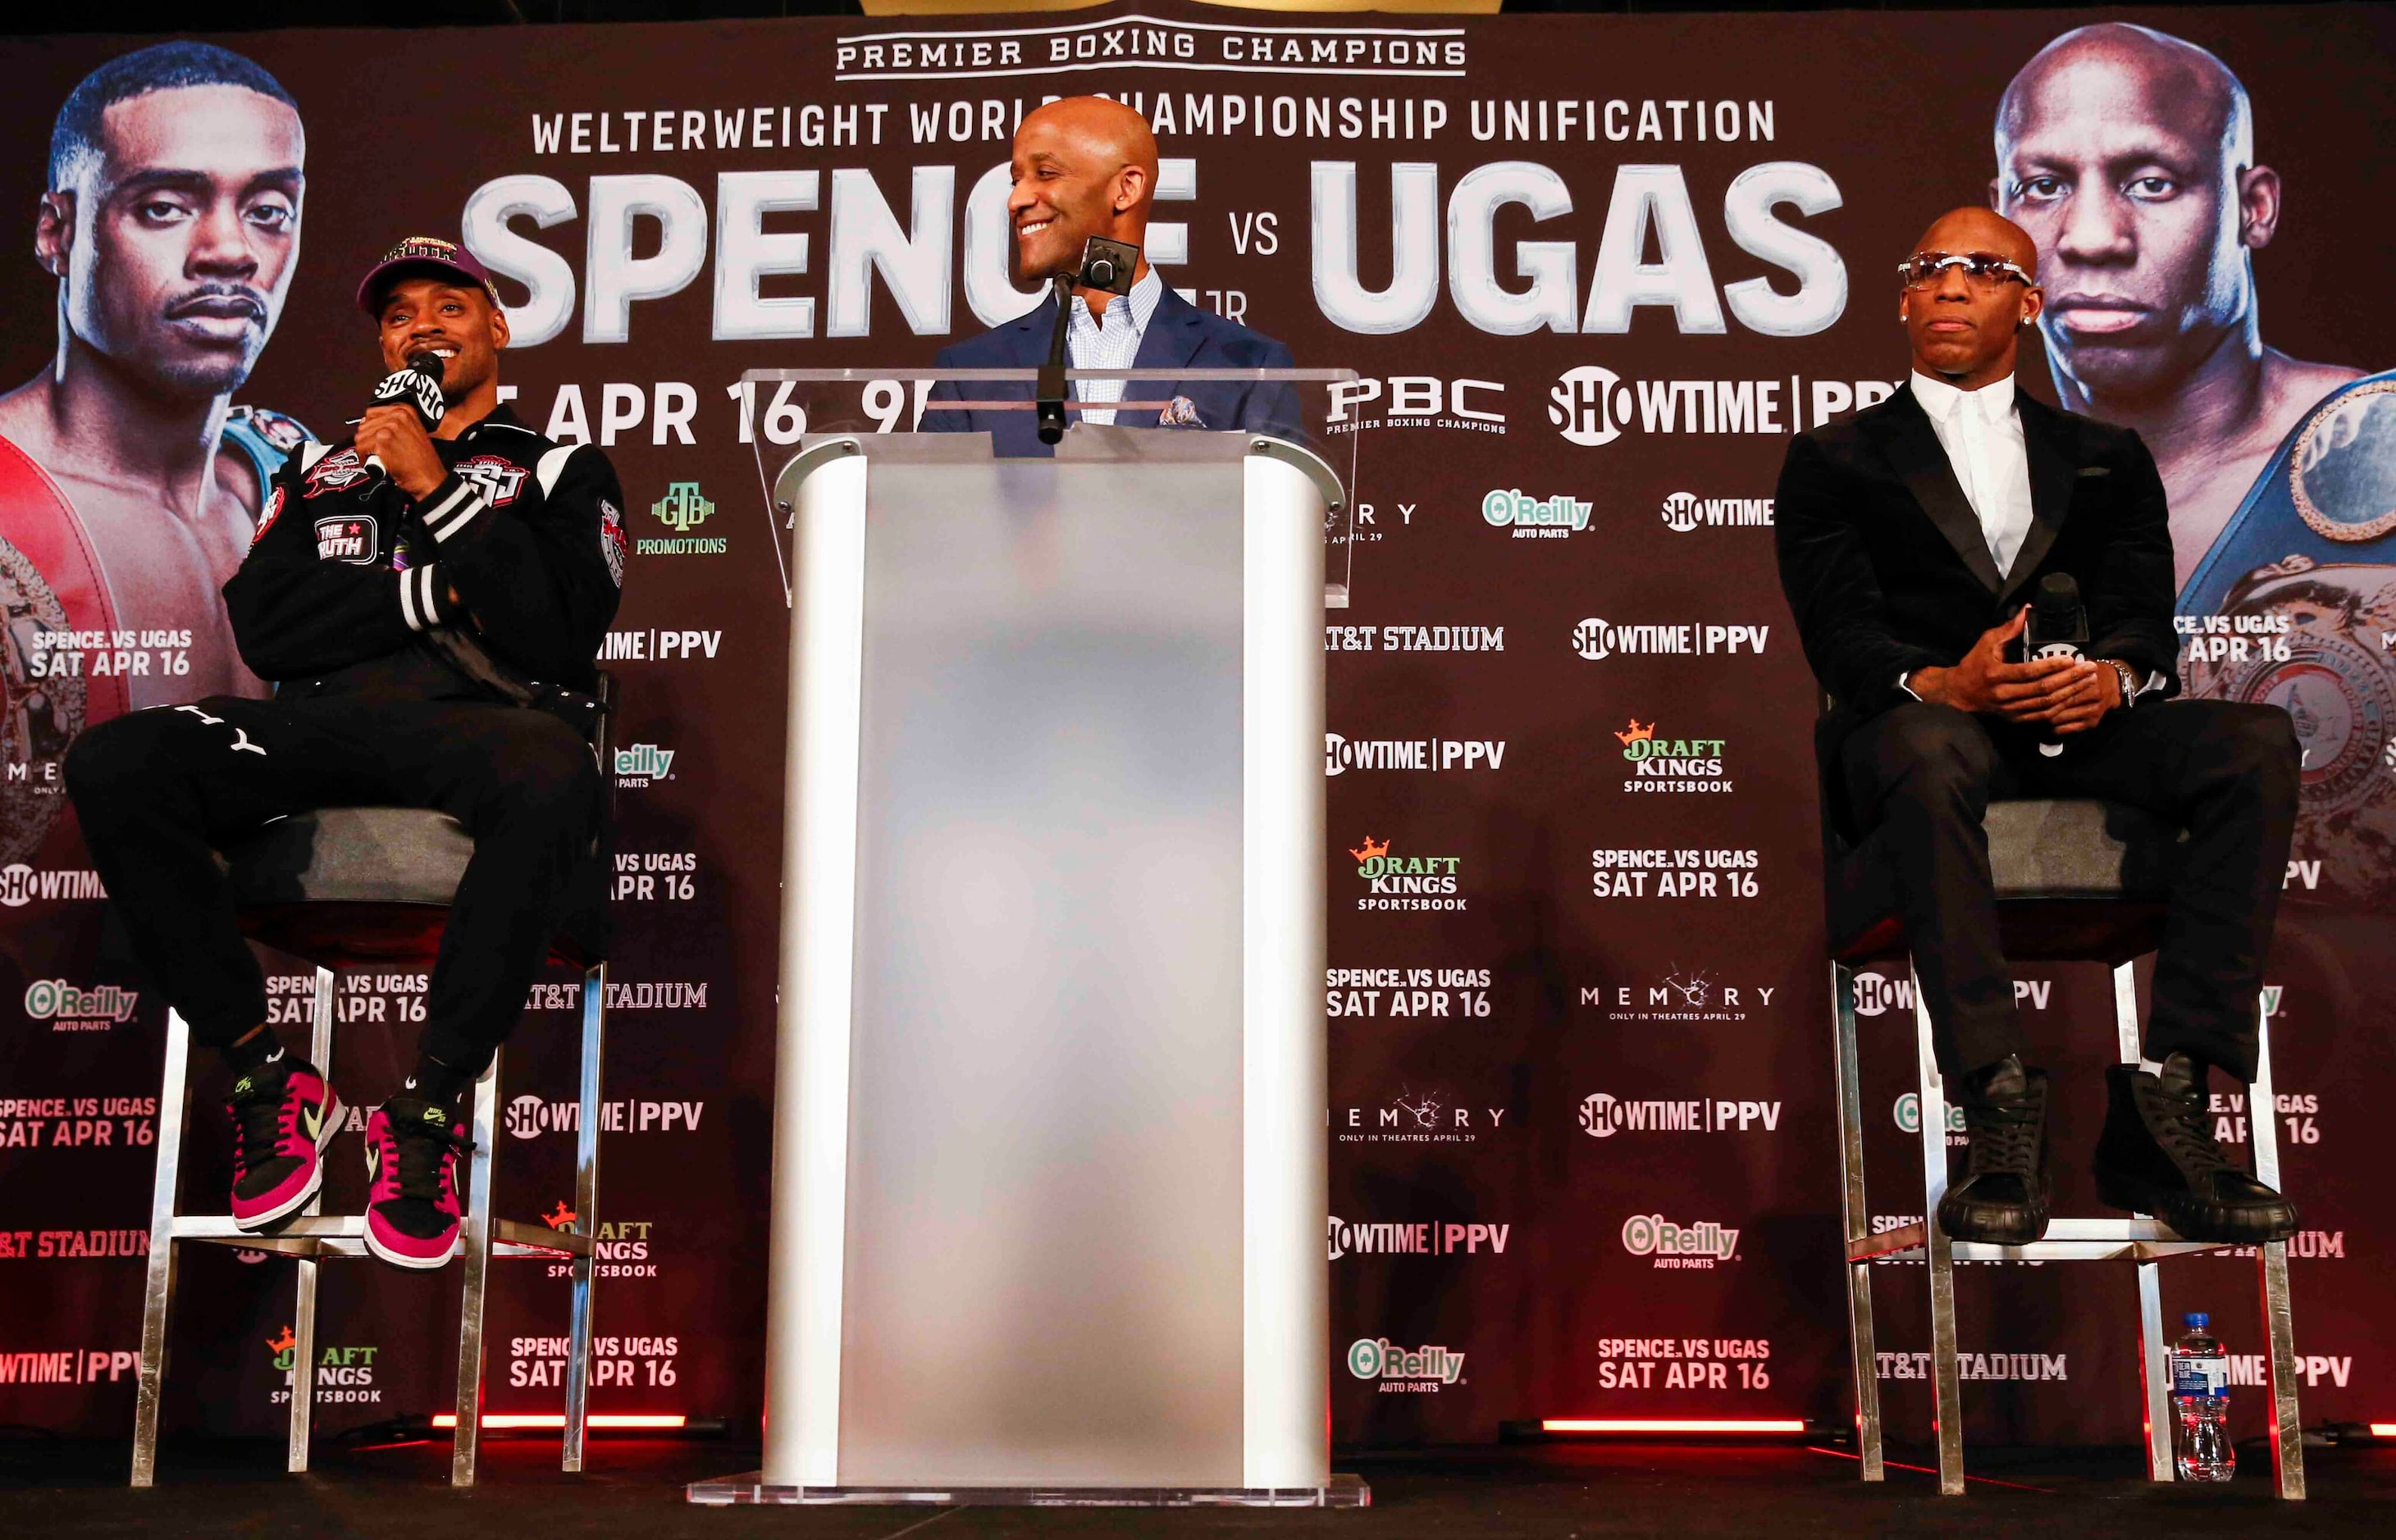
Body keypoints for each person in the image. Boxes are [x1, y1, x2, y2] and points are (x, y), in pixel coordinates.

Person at [63, 237, 627, 1269]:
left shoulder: (557, 467)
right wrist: (435, 589)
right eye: (399, 312)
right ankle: (264, 1076)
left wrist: (437, 486)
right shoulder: (330, 467)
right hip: (317, 726)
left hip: (475, 724)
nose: (422, 326)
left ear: (496, 329)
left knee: (553, 770)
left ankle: (427, 1114)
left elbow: (554, 632)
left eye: (449, 306)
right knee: (117, 762)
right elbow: (269, 628)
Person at [1773, 207, 2301, 1246]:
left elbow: (2145, 616)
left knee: (2252, 745)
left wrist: (2112, 676)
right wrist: (1944, 682)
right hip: (1925, 732)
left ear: (2028, 302)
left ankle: (2174, 1103)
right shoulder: (1833, 460)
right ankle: (1996, 1107)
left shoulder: (2103, 455)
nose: (1949, 285)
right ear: (1902, 299)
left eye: (1979, 269)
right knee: (1926, 747)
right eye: (1927, 269)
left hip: (2083, 735)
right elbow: (1841, 642)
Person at [1993, 22, 2396, 905]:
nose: (2091, 236)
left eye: (2149, 182)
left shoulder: (2383, 445)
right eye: (2042, 185)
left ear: (2252, 206)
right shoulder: (1957, 496)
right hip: (2095, 990)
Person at [0, 42, 312, 869]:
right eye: (166, 206)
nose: (229, 252)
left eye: (268, 211)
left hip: (266, 989)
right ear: (55, 231)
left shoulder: (301, 483)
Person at [921, 96, 1299, 454]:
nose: (1016, 200)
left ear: (1125, 189)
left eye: (1046, 174)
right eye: (1016, 181)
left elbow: (1276, 516)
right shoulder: (970, 374)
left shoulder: (1250, 366)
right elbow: (929, 516)